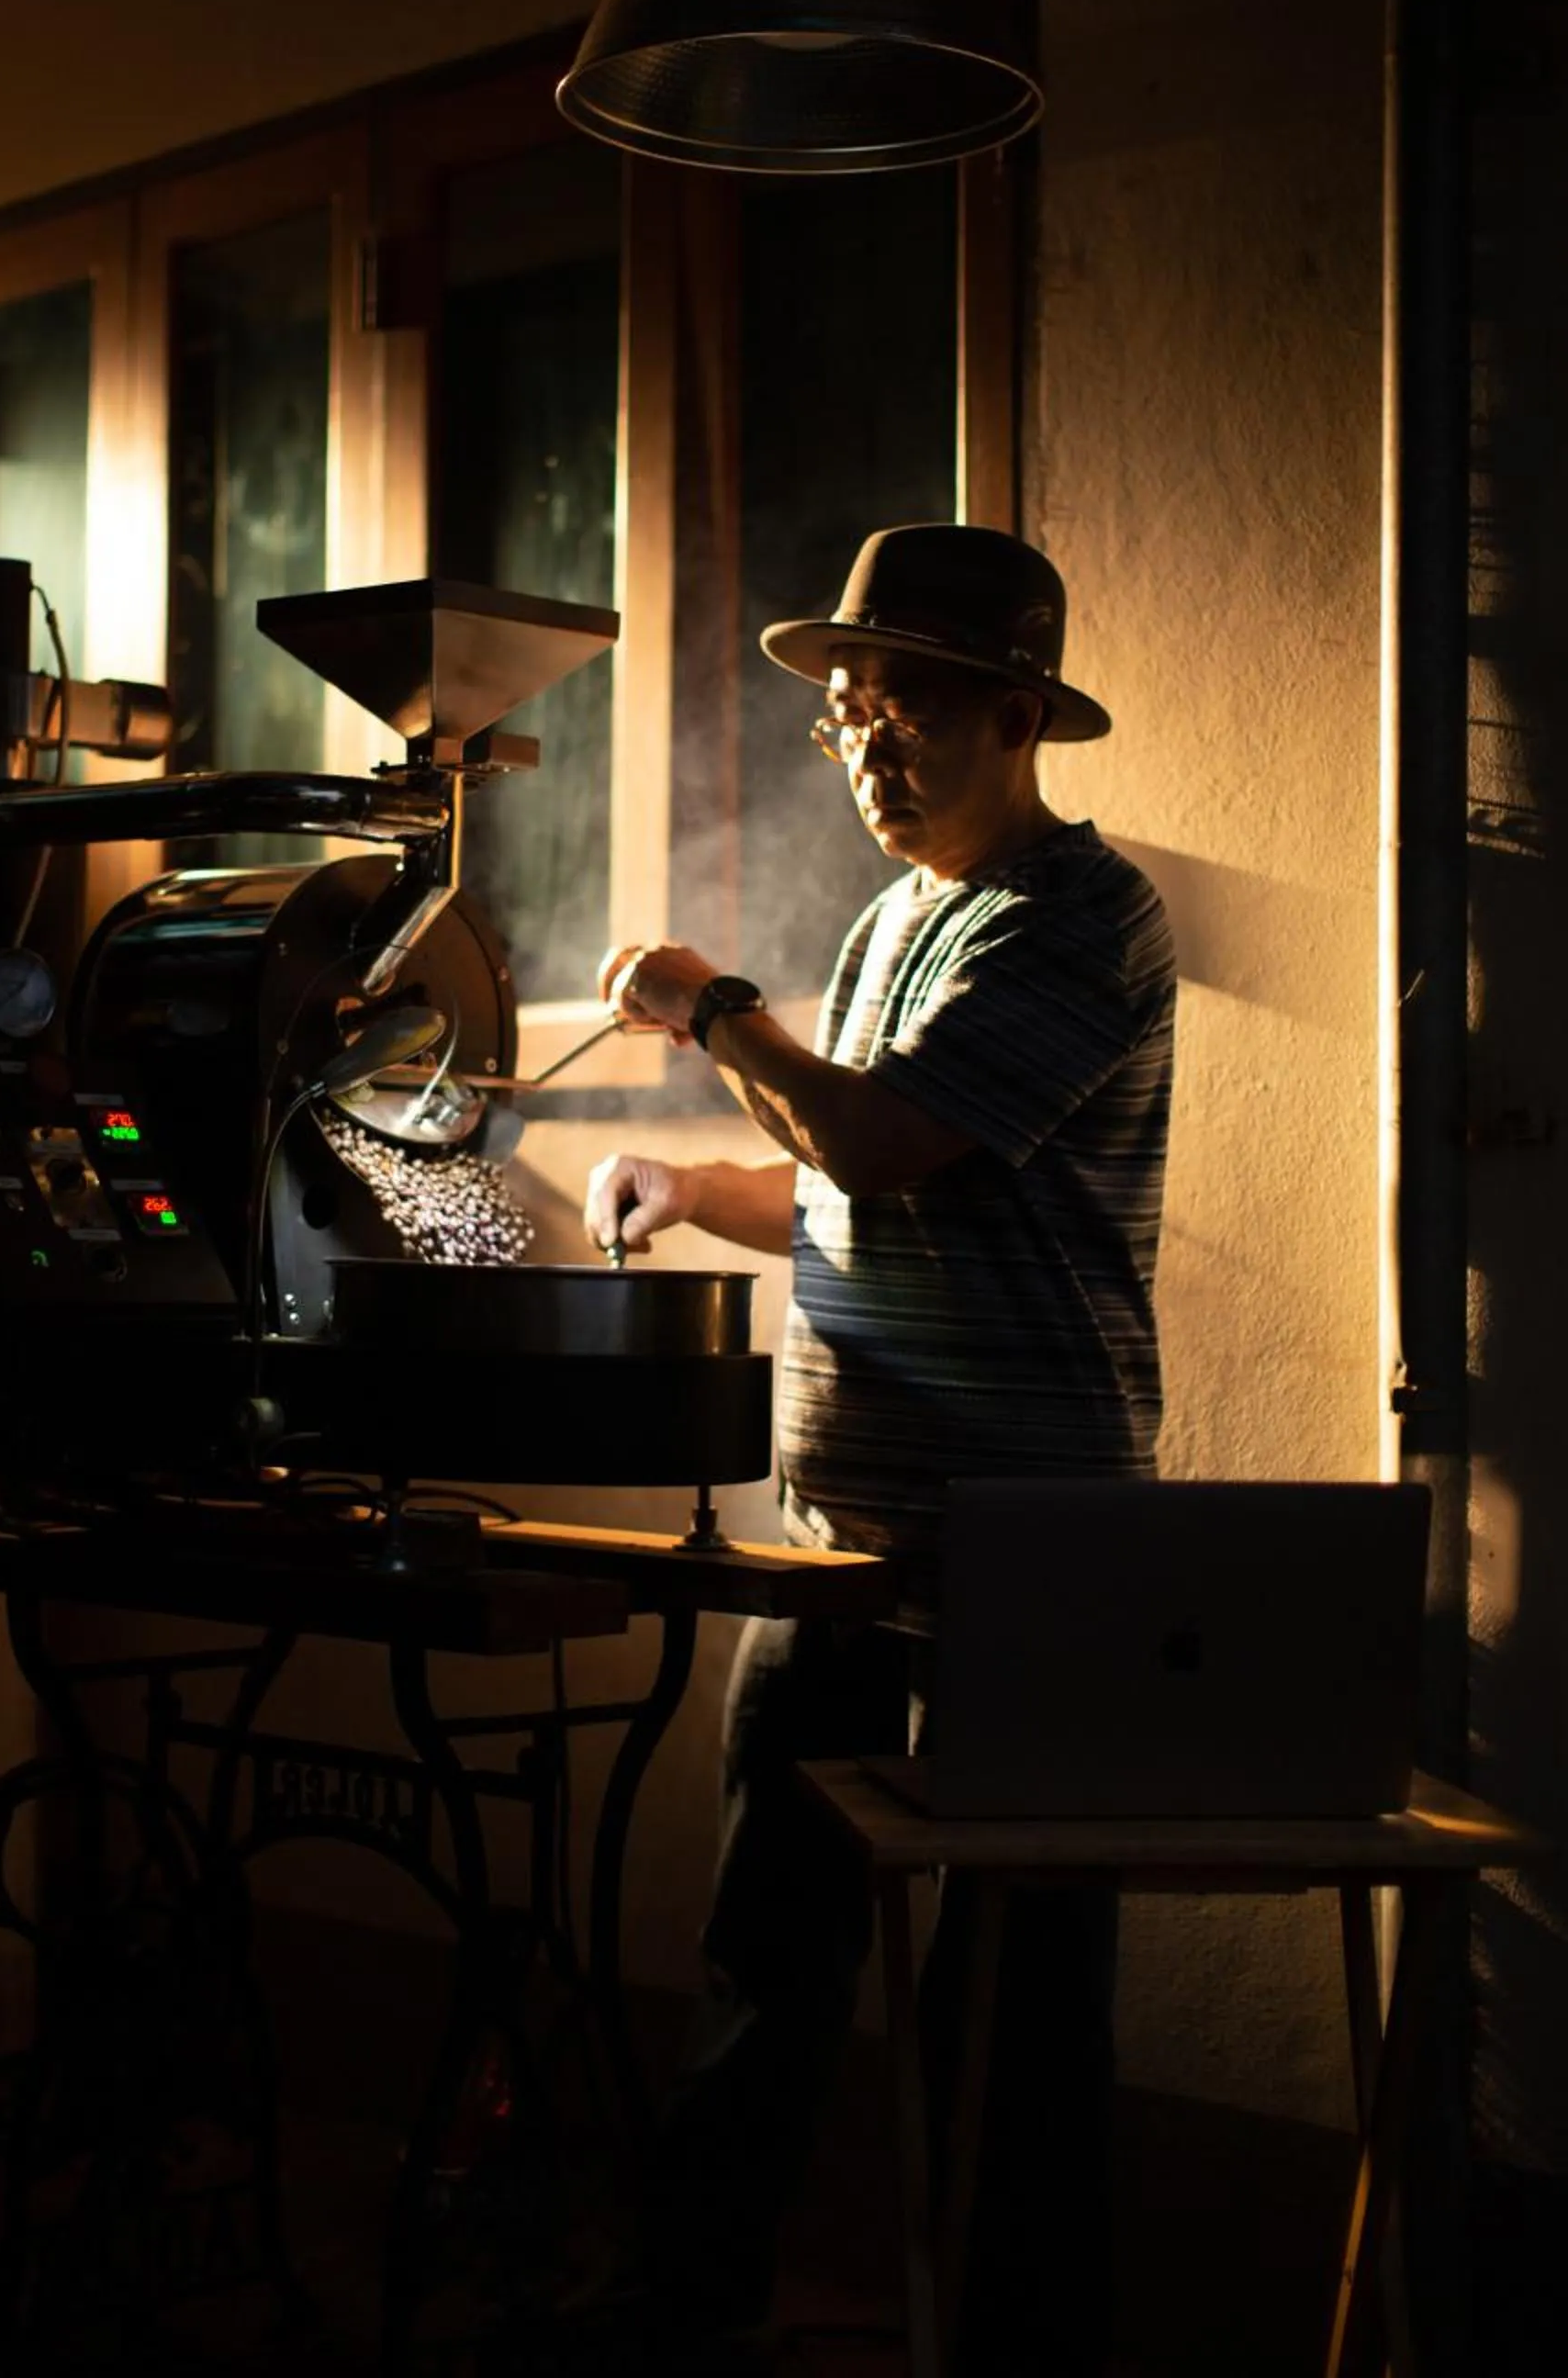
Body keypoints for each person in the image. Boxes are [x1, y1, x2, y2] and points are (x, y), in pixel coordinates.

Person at [584, 523, 1175, 2375]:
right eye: (843, 709)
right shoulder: (890, 920)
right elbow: (850, 1196)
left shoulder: (1082, 915)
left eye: (898, 700)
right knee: (768, 1954)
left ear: (1017, 712)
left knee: (1012, 1996)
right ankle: (685, 2314)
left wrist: (705, 1011)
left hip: (1030, 1544)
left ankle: (1014, 2345)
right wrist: (690, 1183)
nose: (860, 742)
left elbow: (888, 1142)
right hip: (841, 1527)